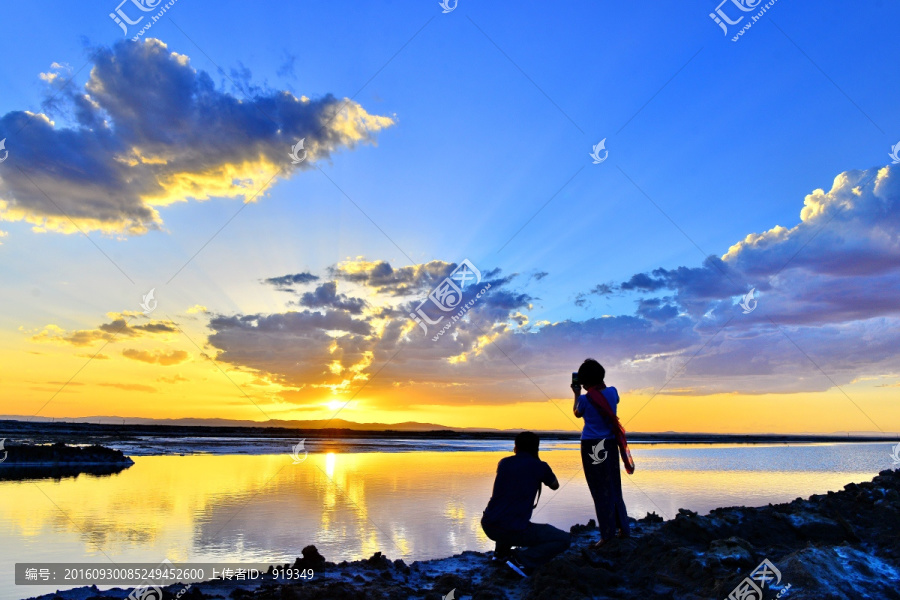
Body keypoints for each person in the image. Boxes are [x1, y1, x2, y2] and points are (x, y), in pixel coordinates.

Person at [481, 431, 570, 576]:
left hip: (488, 524)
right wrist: (540, 466)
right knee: (564, 539)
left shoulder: (504, 462)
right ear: (536, 448)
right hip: (512, 529)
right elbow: (555, 485)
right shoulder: (539, 466)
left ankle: (500, 554)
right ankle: (522, 560)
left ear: (516, 447)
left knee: (506, 510)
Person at [572, 358, 633, 549]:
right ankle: (623, 529)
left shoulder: (584, 399)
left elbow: (576, 412)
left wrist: (576, 394)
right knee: (615, 487)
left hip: (591, 445)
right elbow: (614, 400)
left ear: (583, 380)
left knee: (599, 491)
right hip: (610, 443)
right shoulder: (613, 392)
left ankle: (607, 535)